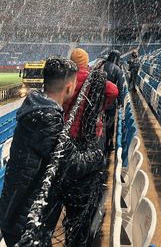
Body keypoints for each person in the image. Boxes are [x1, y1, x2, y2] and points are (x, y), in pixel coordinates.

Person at [0, 57, 105, 247]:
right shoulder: (46, 117)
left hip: (18, 212)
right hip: (24, 220)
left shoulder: (40, 108)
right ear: (69, 87)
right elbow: (72, 163)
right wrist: (97, 155)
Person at [62, 48, 119, 247]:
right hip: (92, 137)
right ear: (86, 62)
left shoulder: (68, 79)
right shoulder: (94, 78)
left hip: (70, 137)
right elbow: (113, 91)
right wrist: (100, 106)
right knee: (90, 179)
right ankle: (85, 225)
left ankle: (73, 223)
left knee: (72, 179)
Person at [103, 50, 124, 150]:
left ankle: (100, 141)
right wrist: (120, 102)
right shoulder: (117, 70)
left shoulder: (101, 66)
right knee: (110, 123)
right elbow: (120, 87)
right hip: (111, 100)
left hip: (99, 99)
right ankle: (109, 142)